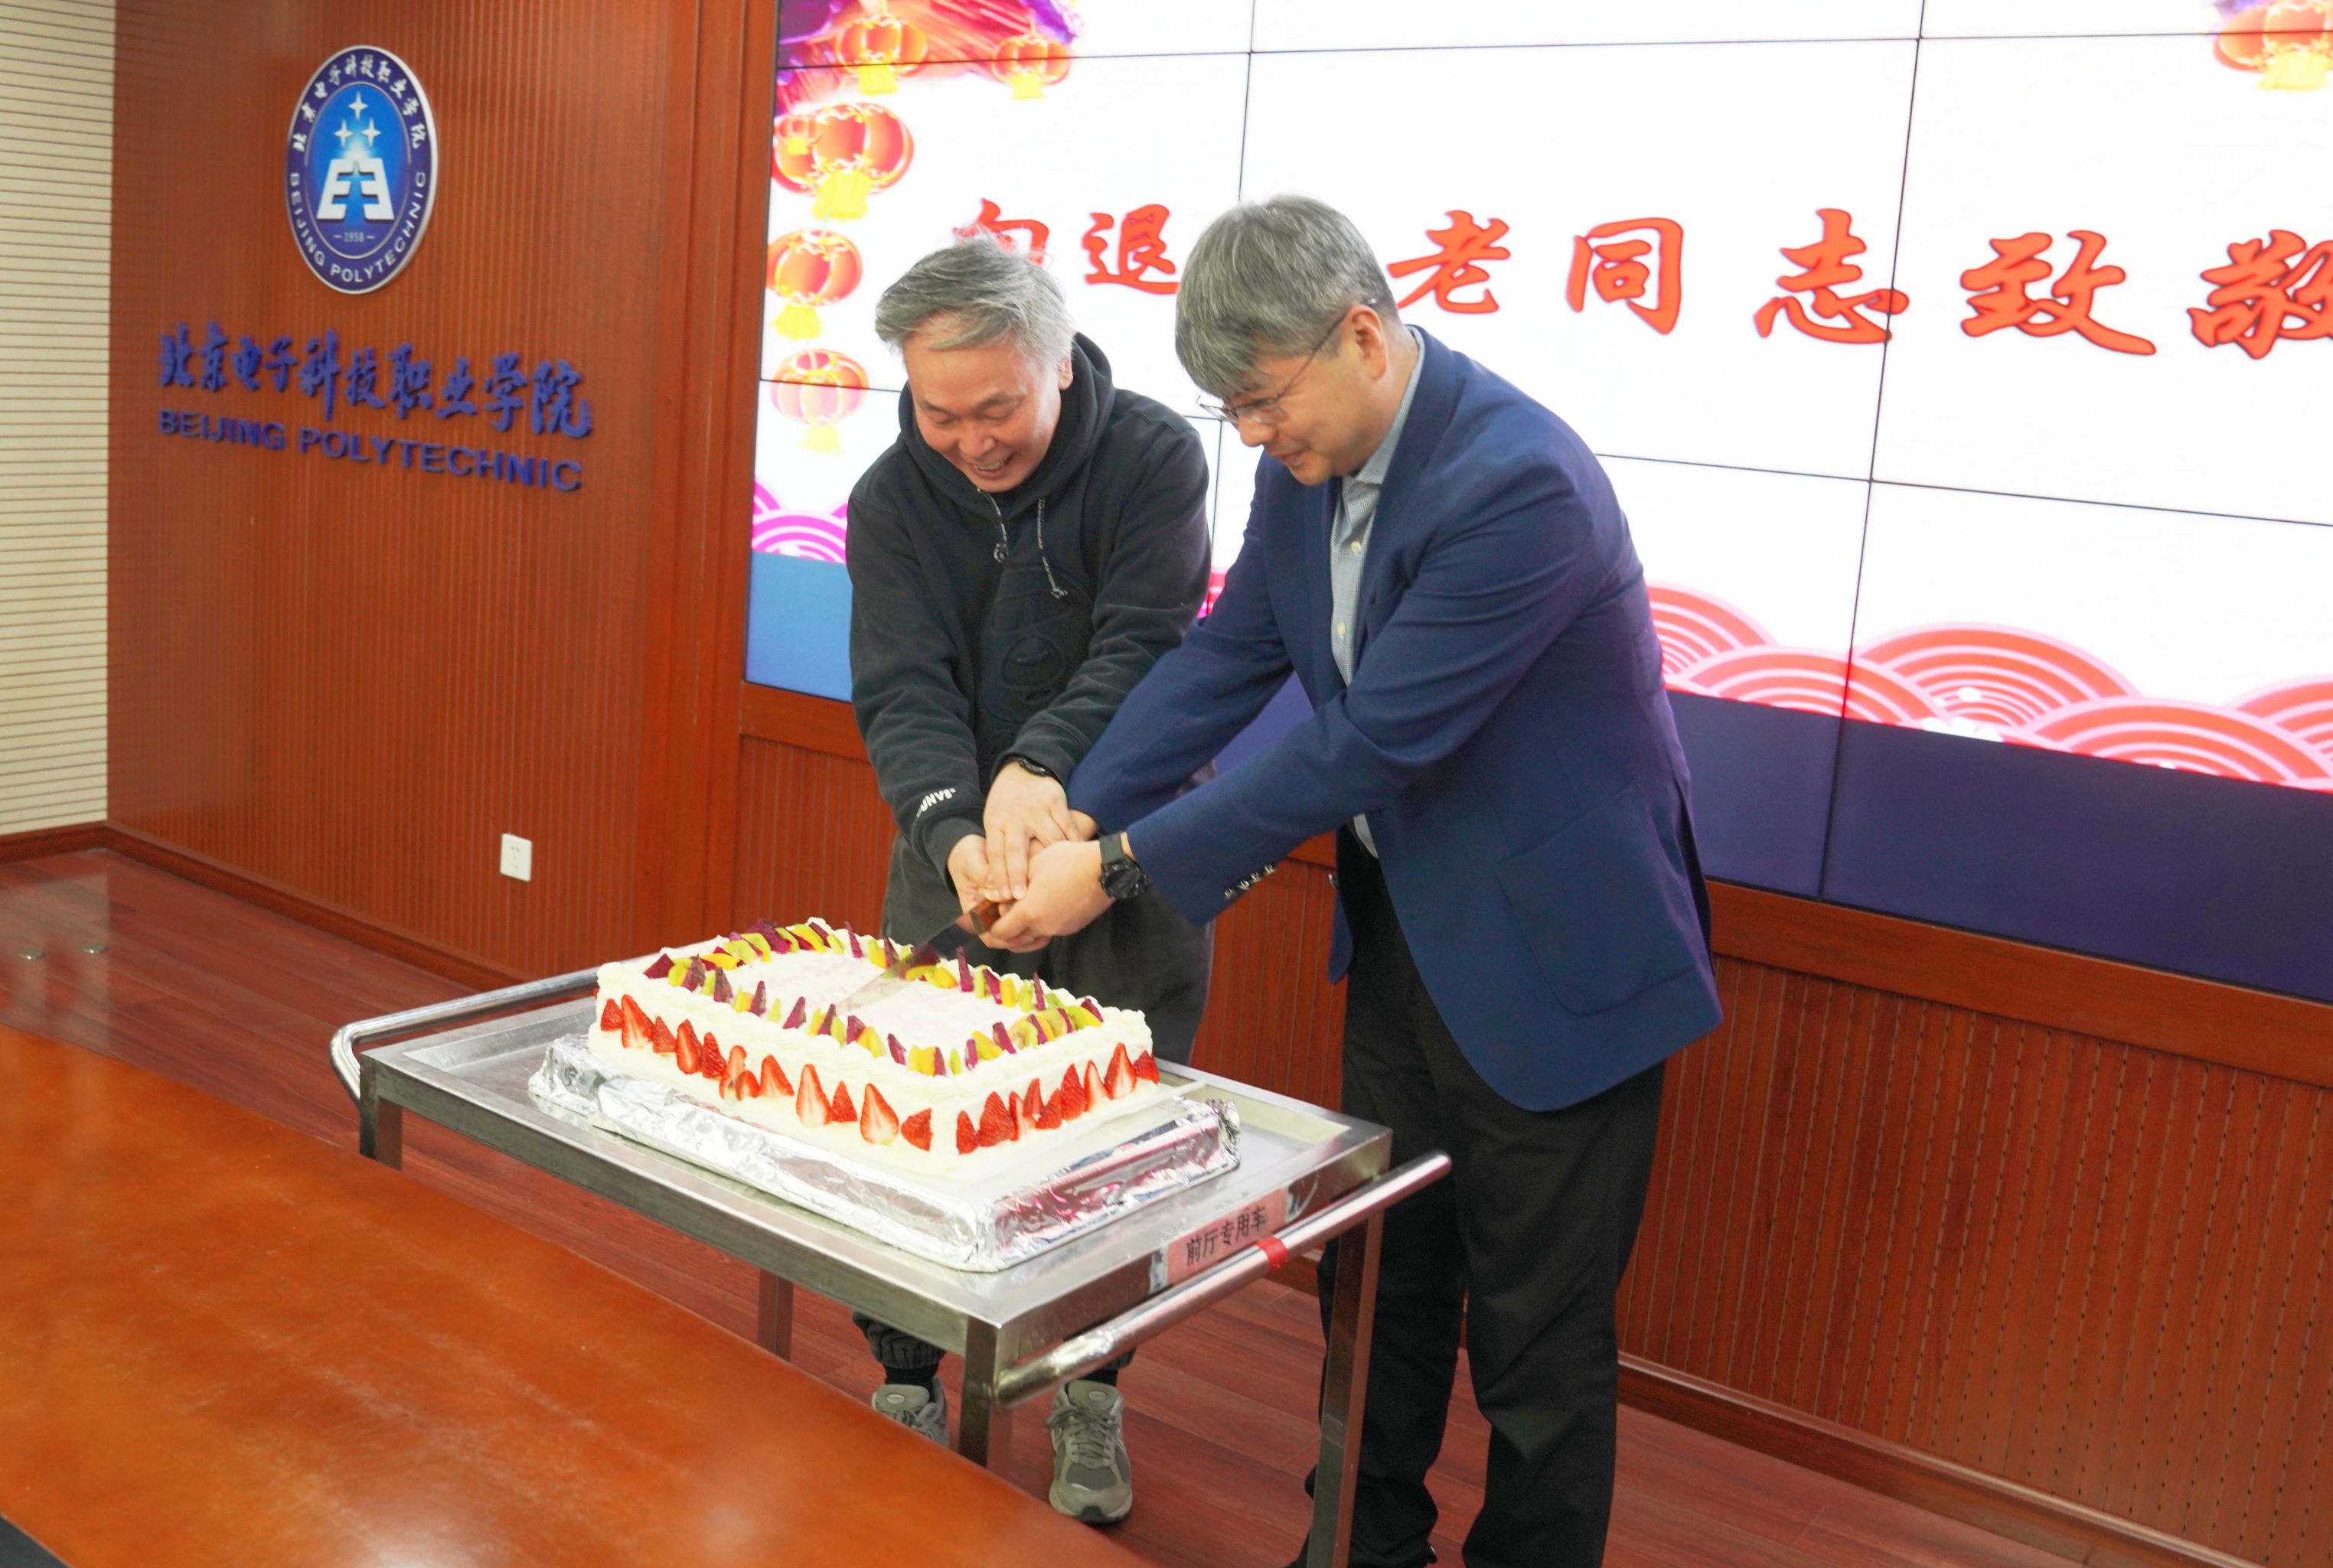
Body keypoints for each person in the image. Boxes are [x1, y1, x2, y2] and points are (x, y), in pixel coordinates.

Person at [985, 196, 1722, 1568]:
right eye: (1234, 412)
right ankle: (1357, 1550)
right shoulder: (1309, 464)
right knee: (1379, 1286)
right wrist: (1076, 801)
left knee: (1537, 1342)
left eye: (1265, 400)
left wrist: (1121, 869)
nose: (1256, 435)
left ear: (1364, 338)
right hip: (1407, 938)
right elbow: (1228, 656)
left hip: (1559, 959)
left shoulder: (1519, 485)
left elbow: (1371, 740)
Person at [841, 236, 1214, 1525]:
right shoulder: (894, 496)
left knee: (1108, 1150)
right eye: (939, 413)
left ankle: (1089, 1383)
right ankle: (905, 1371)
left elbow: (1145, 651)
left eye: (995, 407)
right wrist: (960, 833)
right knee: (912, 1126)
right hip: (953, 860)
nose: (970, 441)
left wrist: (1040, 771)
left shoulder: (1155, 458)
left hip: (1117, 859)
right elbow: (902, 689)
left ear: (1059, 362)